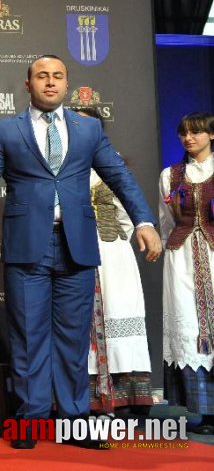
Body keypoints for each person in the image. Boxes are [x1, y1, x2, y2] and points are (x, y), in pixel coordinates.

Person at [0, 55, 161, 449]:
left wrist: (143, 221)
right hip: (27, 248)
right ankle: (32, 421)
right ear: (28, 84)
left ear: (66, 84)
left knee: (73, 339)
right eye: (42, 76)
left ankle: (75, 420)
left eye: (57, 76)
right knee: (28, 336)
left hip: (77, 245)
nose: (50, 83)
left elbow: (119, 175)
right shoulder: (5, 130)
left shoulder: (88, 129)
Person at [72, 107, 153, 416]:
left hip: (113, 253)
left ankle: (128, 394)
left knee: (118, 310)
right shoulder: (63, 164)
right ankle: (89, 396)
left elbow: (127, 211)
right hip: (76, 249)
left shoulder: (113, 163)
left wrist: (112, 237)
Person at [159, 112, 214, 435]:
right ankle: (205, 410)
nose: (188, 138)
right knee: (190, 323)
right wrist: (172, 245)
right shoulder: (171, 174)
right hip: (181, 259)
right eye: (183, 133)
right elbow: (166, 219)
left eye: (196, 132)